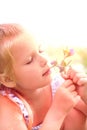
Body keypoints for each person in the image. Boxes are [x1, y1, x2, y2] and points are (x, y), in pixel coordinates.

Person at [0, 23, 87, 130]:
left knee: (75, 114)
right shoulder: (7, 106)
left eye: (40, 50)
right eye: (29, 60)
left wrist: (85, 94)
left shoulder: (58, 86)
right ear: (8, 79)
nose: (44, 60)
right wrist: (57, 113)